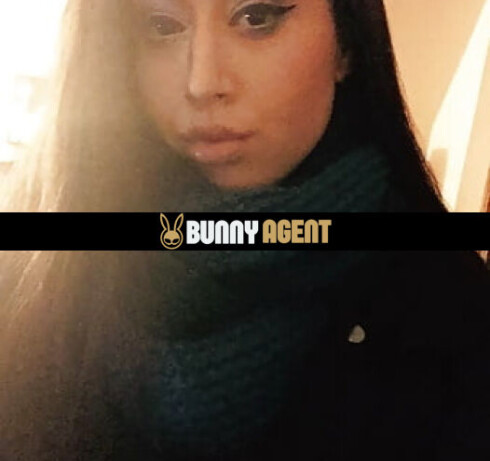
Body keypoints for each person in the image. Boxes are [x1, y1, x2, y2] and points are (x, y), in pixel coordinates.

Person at [0, 0, 488, 460]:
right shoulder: (33, 272)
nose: (202, 82)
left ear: (346, 44)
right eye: (161, 26)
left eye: (257, 17)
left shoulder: (452, 310)